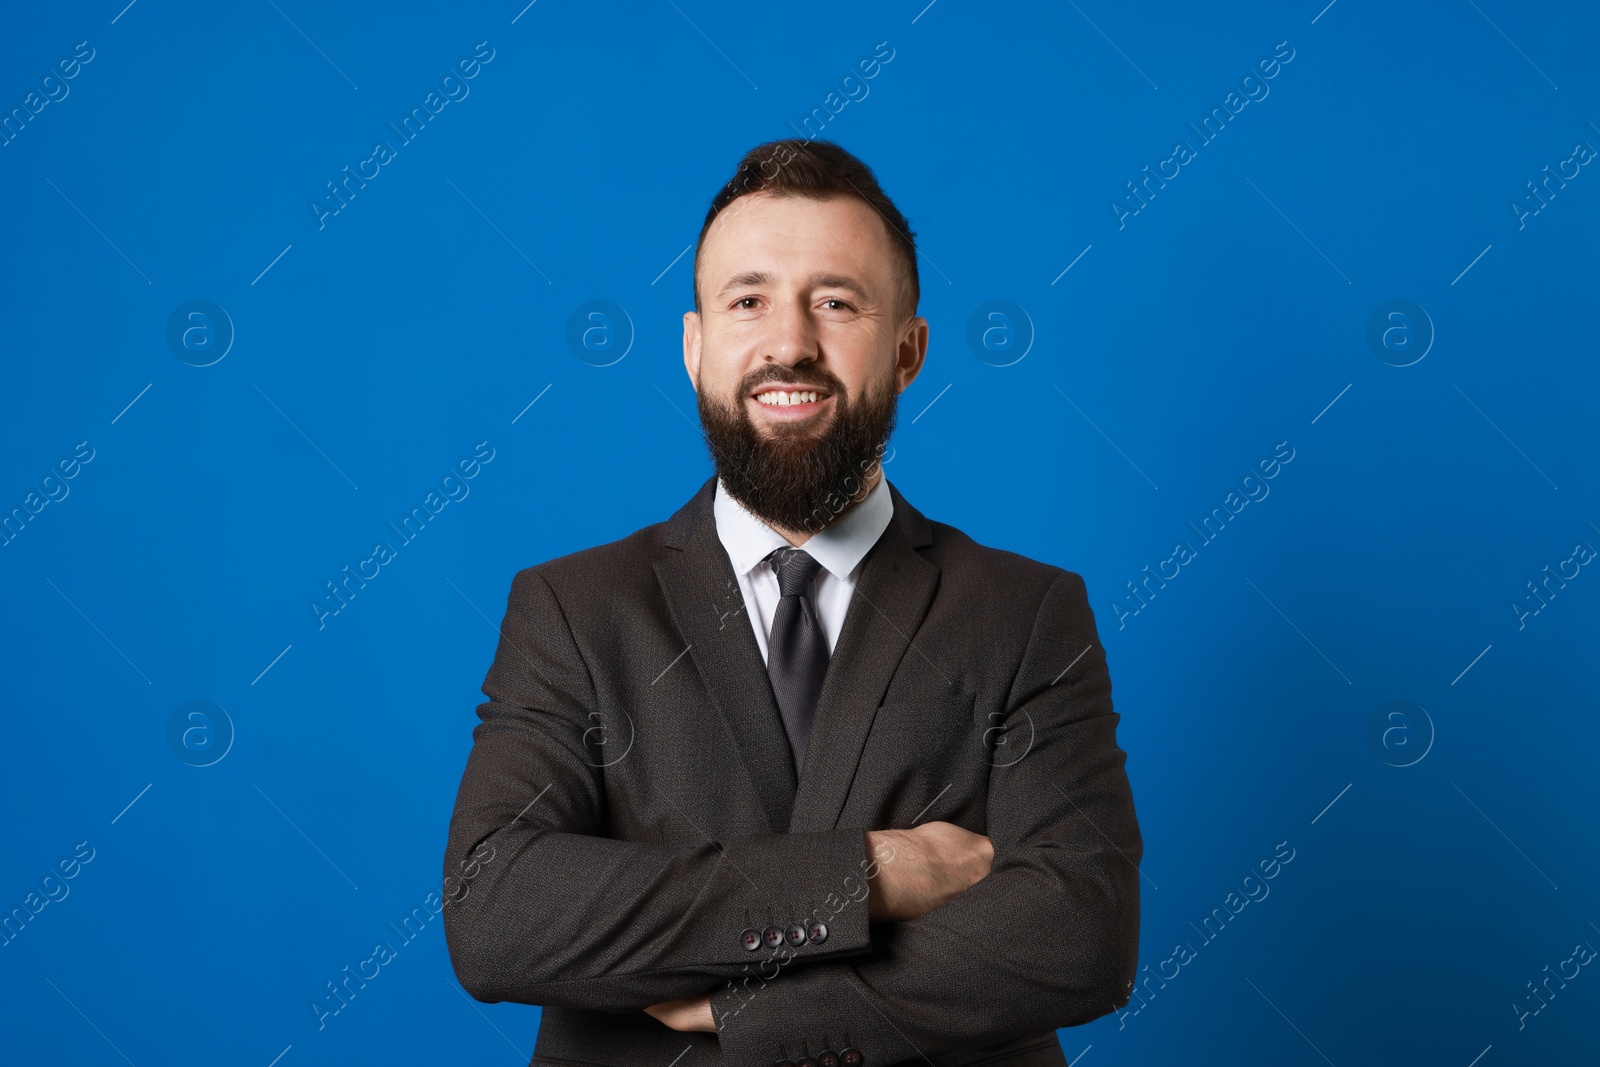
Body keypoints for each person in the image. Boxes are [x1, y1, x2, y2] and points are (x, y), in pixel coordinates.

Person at [443, 138, 1141, 1067]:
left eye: (836, 302)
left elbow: (1079, 932)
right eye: (749, 300)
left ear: (907, 351)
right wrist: (870, 874)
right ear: (695, 348)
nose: (790, 344)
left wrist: (753, 1016)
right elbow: (496, 910)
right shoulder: (572, 608)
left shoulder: (1027, 612)